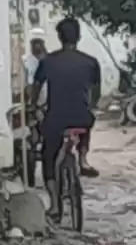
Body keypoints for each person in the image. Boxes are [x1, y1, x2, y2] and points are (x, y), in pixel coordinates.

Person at [32, 18, 102, 219]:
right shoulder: (91, 62)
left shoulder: (48, 62)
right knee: (87, 120)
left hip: (56, 118)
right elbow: (96, 94)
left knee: (48, 156)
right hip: (82, 117)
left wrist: (33, 106)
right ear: (78, 37)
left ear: (59, 37)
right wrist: (91, 106)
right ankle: (83, 157)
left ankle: (54, 205)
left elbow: (36, 88)